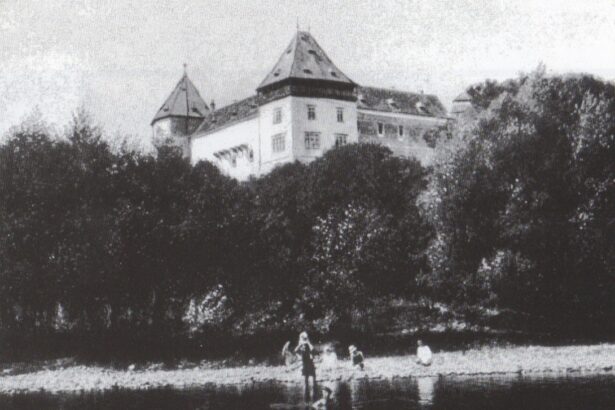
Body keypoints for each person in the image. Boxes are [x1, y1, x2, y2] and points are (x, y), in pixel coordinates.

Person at [294, 331, 317, 401]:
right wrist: (300, 345)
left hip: (310, 363)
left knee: (312, 382)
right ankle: (306, 399)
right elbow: (295, 351)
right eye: (303, 338)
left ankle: (312, 398)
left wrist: (308, 342)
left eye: (305, 338)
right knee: (305, 382)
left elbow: (313, 349)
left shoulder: (308, 344)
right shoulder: (301, 345)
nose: (304, 339)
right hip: (305, 364)